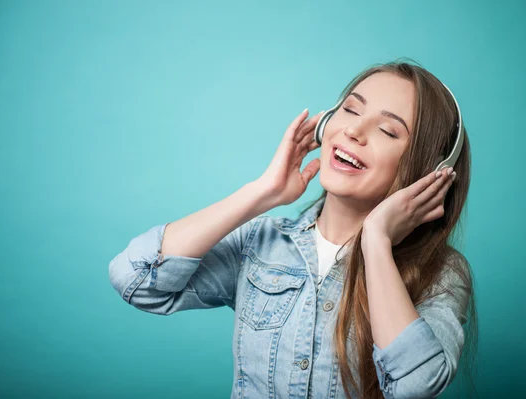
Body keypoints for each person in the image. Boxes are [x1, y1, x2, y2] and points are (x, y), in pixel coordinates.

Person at [108, 59, 478, 399]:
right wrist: (262, 193)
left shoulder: (443, 274)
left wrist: (377, 242)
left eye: (387, 130)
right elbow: (135, 279)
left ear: (430, 174)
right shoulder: (261, 243)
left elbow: (416, 386)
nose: (353, 129)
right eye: (350, 109)